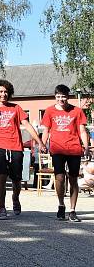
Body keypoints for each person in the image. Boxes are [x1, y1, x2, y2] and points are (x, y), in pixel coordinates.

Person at [0, 79, 44, 219]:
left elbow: (27, 125)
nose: (3, 94)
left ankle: (15, 198)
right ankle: (2, 207)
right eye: (0, 92)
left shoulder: (16, 108)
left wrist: (39, 141)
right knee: (1, 176)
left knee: (16, 179)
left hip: (16, 146)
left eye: (5, 92)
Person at [41, 84, 90, 222]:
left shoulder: (77, 111)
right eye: (58, 96)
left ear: (68, 97)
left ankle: (73, 210)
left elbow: (82, 130)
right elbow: (46, 130)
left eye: (63, 96)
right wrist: (42, 144)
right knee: (60, 178)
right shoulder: (49, 111)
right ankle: (61, 205)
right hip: (57, 149)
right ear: (55, 96)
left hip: (74, 149)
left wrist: (86, 147)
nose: (61, 99)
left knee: (73, 179)